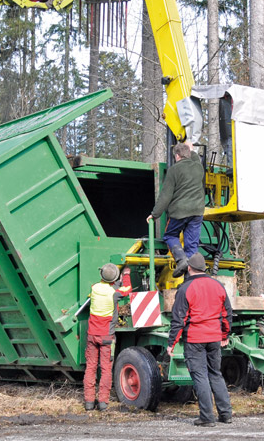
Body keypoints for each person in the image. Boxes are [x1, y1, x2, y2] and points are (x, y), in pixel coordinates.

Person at [166, 253, 233, 427]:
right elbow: (227, 314)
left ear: (189, 268)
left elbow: (178, 319)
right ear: (204, 268)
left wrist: (171, 343)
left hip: (195, 338)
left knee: (200, 376)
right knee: (215, 373)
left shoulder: (186, 288)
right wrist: (224, 335)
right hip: (214, 338)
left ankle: (207, 417)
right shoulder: (218, 286)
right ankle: (225, 414)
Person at [146, 141, 205, 277]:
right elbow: (195, 157)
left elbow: (165, 196)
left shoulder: (174, 170)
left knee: (170, 235)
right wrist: (191, 148)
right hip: (197, 213)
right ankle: (190, 276)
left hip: (179, 213)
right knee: (192, 246)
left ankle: (181, 259)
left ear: (177, 156)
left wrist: (155, 215)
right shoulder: (198, 167)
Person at [83, 263, 132, 411]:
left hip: (92, 335)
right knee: (105, 369)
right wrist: (127, 274)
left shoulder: (94, 288)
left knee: (90, 368)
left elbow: (108, 286)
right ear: (115, 279)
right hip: (107, 337)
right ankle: (103, 403)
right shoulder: (114, 293)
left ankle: (89, 402)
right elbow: (127, 290)